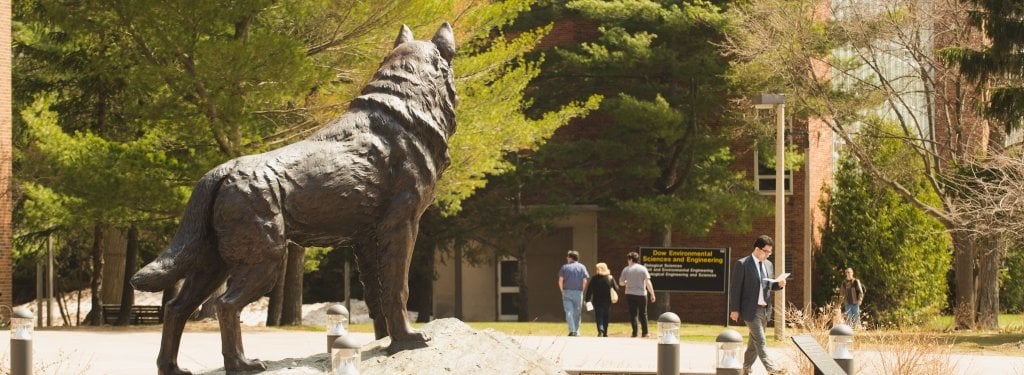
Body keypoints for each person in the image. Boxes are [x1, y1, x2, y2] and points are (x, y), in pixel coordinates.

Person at [729, 235, 787, 375]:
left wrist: (778, 285)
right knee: (760, 340)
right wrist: (734, 310)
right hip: (750, 310)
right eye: (766, 251)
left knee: (753, 344)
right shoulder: (742, 264)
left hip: (765, 310)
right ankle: (772, 369)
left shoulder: (768, 264)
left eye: (770, 252)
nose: (768, 254)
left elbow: (767, 285)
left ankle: (746, 369)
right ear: (757, 249)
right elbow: (735, 288)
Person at [619, 251, 656, 338]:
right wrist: (652, 294)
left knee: (633, 314)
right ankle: (645, 332)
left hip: (629, 294)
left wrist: (626, 282)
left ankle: (635, 333)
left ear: (631, 259)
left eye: (628, 259)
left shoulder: (626, 269)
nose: (628, 261)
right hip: (641, 294)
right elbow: (648, 282)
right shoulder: (643, 269)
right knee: (643, 313)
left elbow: (621, 283)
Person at [584, 262, 620, 337]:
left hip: (597, 301)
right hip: (607, 300)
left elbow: (589, 290)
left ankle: (600, 330)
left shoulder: (594, 278)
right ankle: (605, 332)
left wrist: (587, 299)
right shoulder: (610, 278)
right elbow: (616, 288)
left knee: (599, 316)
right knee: (606, 316)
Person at [558, 250, 589, 336]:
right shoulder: (582, 267)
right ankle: (577, 331)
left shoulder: (564, 267)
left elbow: (560, 280)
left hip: (567, 291)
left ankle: (572, 330)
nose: (567, 258)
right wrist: (582, 291)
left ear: (571, 258)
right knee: (577, 312)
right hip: (578, 292)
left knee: (568, 311)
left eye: (568, 257)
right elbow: (585, 281)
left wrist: (562, 290)